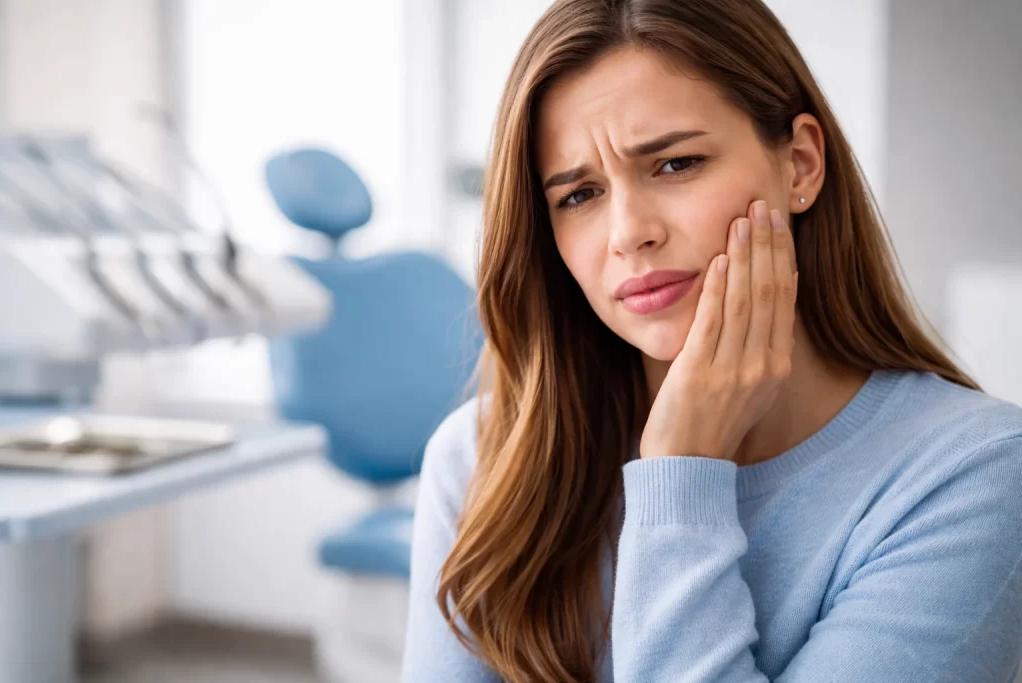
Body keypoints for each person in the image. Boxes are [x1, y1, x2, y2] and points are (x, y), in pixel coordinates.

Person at [401, 1, 1022, 681]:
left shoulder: (976, 476)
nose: (628, 232)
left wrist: (682, 470)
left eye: (675, 164)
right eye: (579, 195)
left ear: (802, 166)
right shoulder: (481, 461)